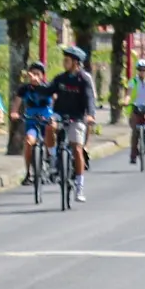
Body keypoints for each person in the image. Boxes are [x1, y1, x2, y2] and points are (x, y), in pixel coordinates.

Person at [49, 47, 98, 202]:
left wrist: (90, 115)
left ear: (76, 62)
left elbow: (90, 98)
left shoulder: (84, 79)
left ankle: (79, 185)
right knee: (49, 126)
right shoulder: (60, 78)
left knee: (77, 147)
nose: (64, 63)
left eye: (67, 60)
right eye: (64, 60)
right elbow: (48, 90)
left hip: (77, 116)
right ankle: (53, 159)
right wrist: (36, 86)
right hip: (59, 113)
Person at [11, 61, 57, 185]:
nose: (34, 77)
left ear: (42, 76)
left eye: (37, 74)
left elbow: (55, 101)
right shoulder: (24, 89)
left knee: (51, 128)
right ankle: (29, 173)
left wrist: (54, 115)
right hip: (31, 120)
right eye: (32, 74)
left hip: (46, 119)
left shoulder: (48, 87)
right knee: (28, 142)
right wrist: (14, 113)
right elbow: (17, 104)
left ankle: (52, 159)